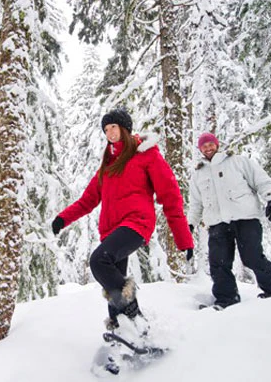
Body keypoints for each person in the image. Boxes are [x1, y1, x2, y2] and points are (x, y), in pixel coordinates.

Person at [51, 109, 193, 340]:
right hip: (111, 230)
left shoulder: (147, 156)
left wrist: (183, 238)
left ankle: (135, 315)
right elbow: (88, 200)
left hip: (136, 224)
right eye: (106, 130)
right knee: (112, 279)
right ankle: (123, 336)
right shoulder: (107, 166)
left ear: (125, 128)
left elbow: (171, 196)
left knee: (99, 261)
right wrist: (63, 218)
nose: (110, 133)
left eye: (113, 127)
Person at [188, 132, 271, 309]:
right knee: (219, 262)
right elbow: (195, 203)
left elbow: (261, 180)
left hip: (245, 217)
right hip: (217, 222)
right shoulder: (198, 174)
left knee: (252, 257)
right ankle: (226, 299)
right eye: (204, 146)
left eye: (210, 144)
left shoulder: (238, 162)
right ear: (200, 149)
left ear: (217, 145)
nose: (208, 148)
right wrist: (190, 224)